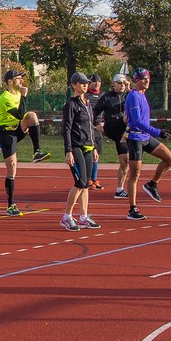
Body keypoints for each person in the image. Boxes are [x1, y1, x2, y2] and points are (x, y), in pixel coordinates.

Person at [0, 67, 48, 217]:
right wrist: (24, 97)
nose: (22, 81)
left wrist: (23, 97)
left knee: (32, 116)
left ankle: (37, 151)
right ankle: (10, 204)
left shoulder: (18, 93)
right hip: (6, 132)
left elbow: (23, 115)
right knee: (12, 167)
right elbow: (18, 114)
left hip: (17, 127)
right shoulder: (5, 97)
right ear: (10, 82)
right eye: (19, 78)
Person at [121, 68, 171, 220]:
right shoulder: (133, 96)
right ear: (136, 80)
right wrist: (158, 132)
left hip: (146, 136)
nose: (146, 81)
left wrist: (154, 133)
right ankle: (132, 209)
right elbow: (137, 121)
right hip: (135, 138)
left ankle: (152, 184)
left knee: (170, 159)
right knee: (135, 174)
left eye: (148, 78)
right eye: (143, 79)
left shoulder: (142, 95)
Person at [60, 72, 100, 231]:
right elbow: (66, 128)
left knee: (86, 184)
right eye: (82, 83)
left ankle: (83, 217)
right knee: (80, 182)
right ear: (74, 85)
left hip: (88, 147)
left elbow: (90, 127)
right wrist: (68, 150)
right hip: (76, 147)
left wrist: (94, 146)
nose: (85, 85)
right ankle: (67, 216)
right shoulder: (71, 104)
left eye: (86, 83)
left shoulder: (88, 104)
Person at [93, 72, 132, 199]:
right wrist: (97, 123)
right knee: (126, 118)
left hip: (124, 132)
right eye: (119, 83)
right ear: (113, 84)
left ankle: (119, 190)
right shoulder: (107, 97)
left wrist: (130, 89)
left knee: (125, 161)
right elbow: (94, 112)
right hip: (112, 127)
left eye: (124, 83)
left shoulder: (129, 95)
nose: (122, 85)